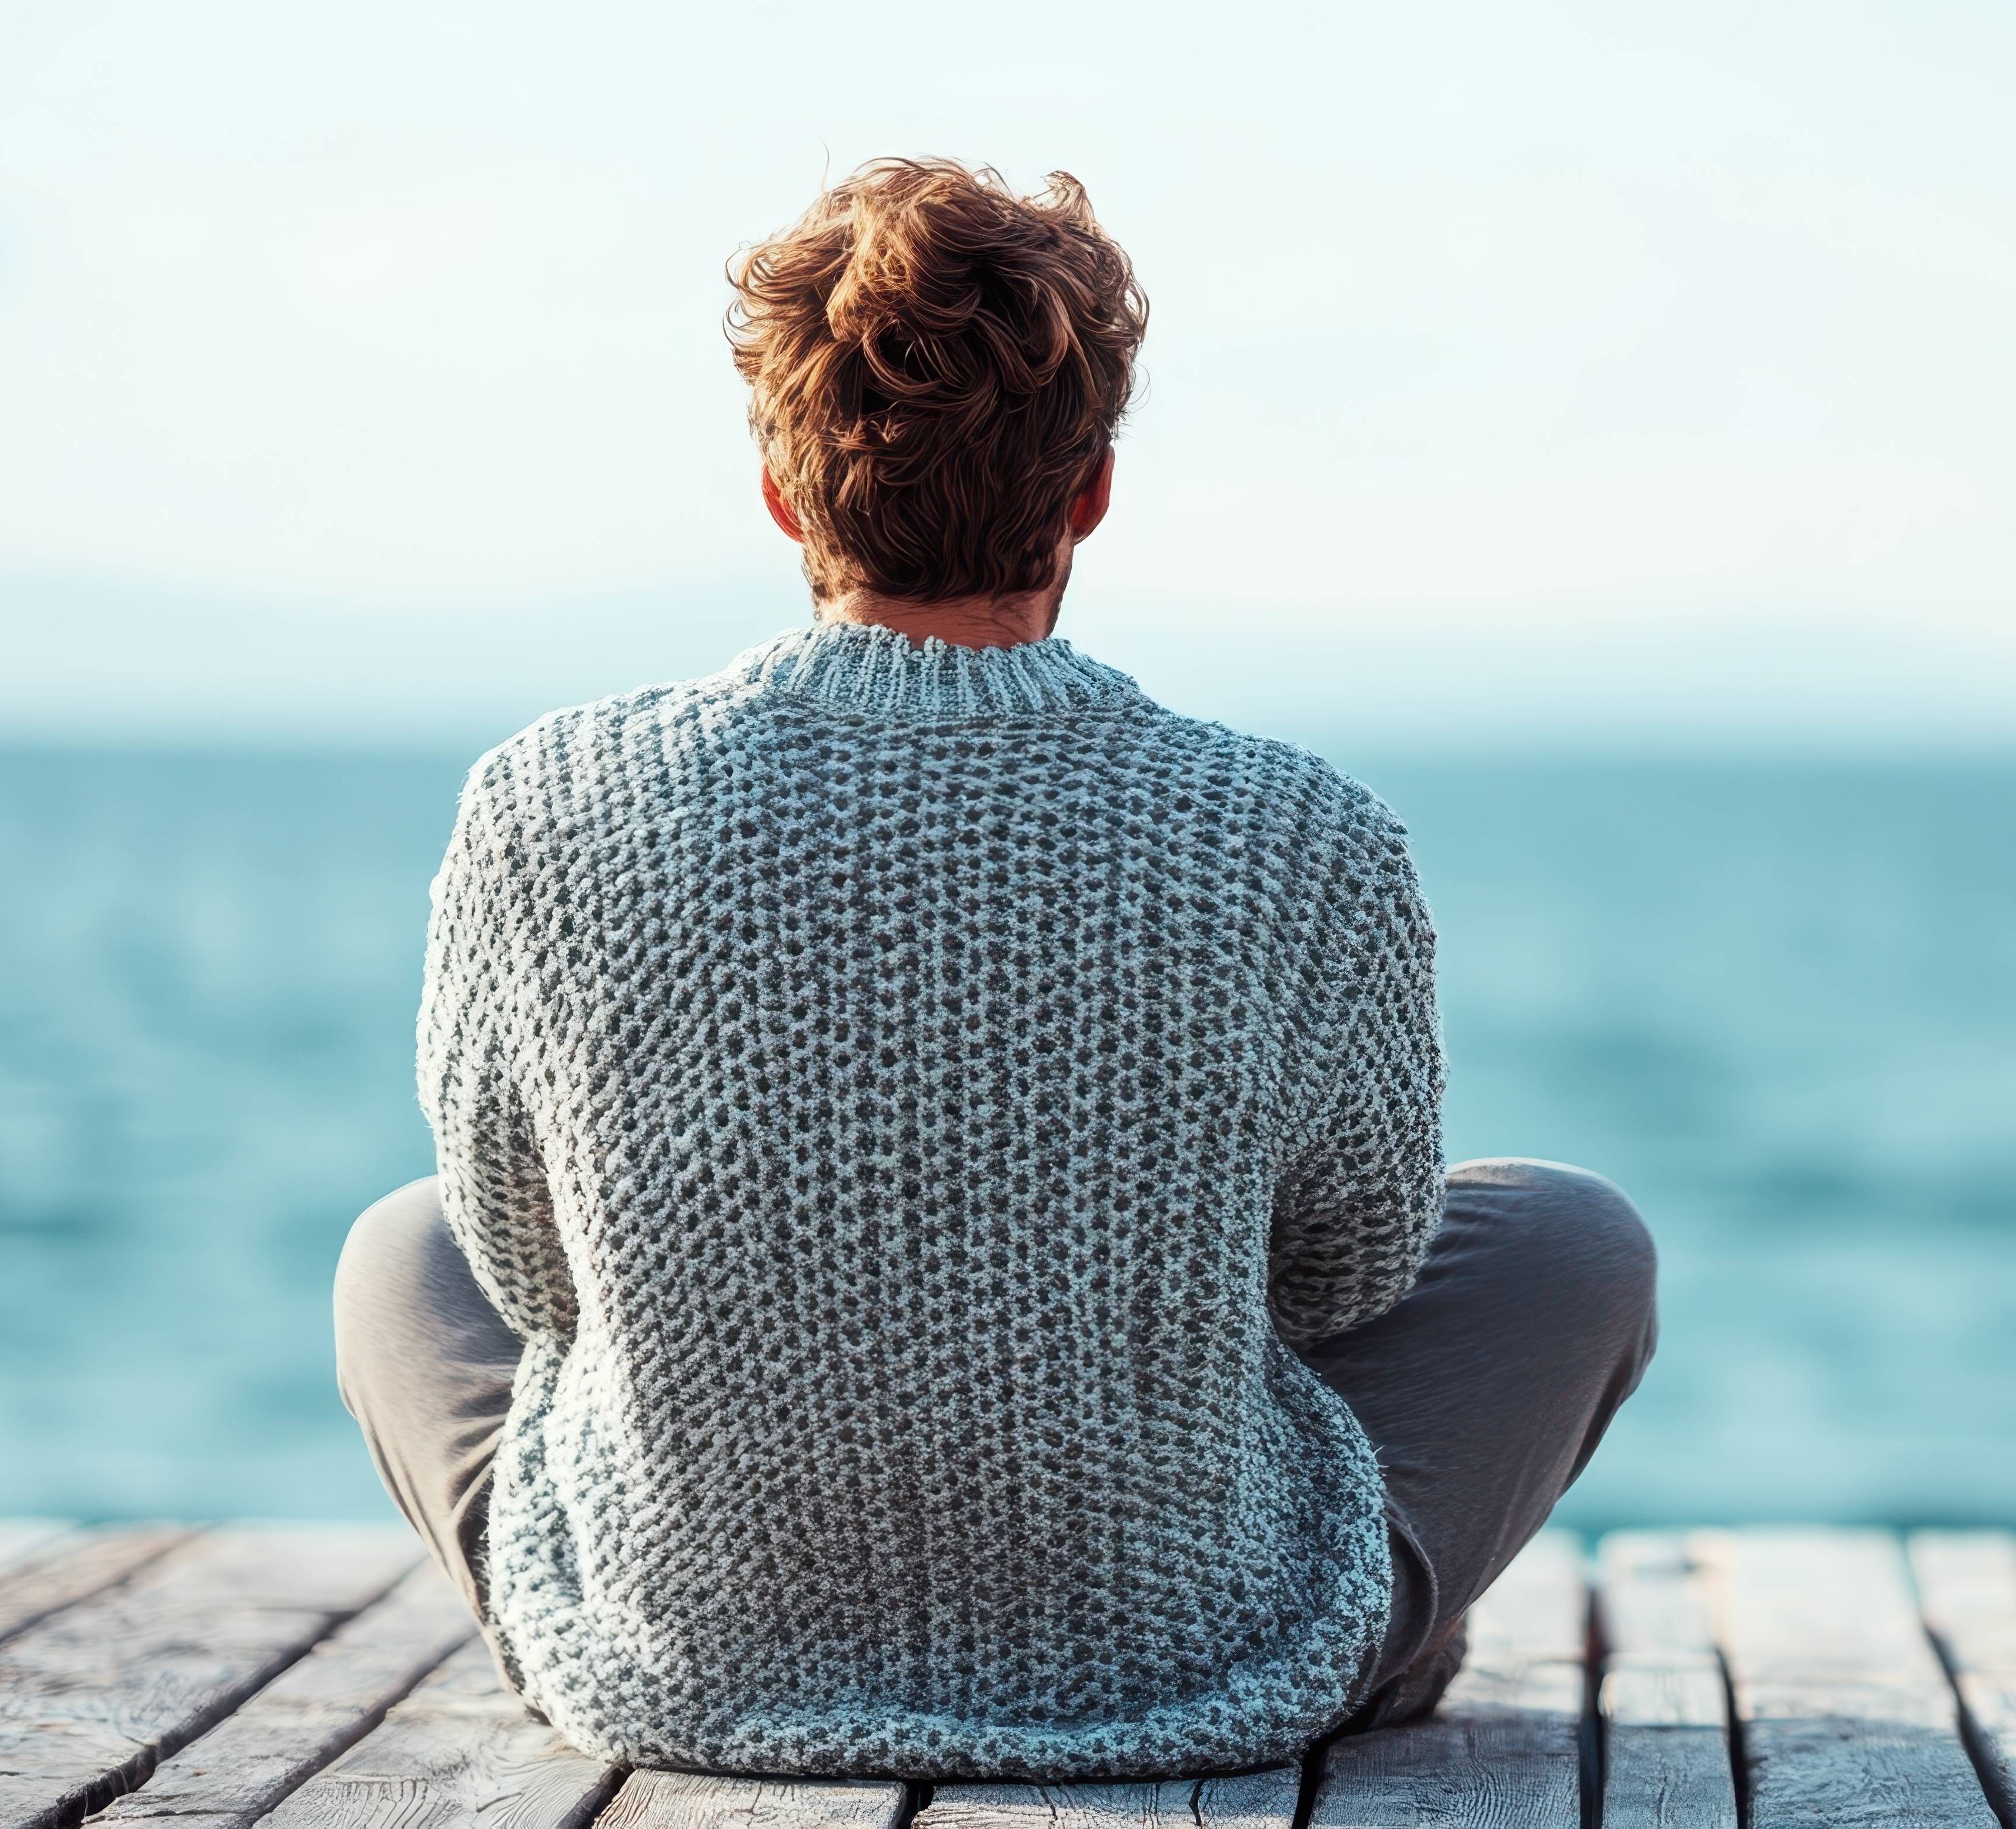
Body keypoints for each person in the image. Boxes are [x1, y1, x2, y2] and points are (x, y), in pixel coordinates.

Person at [328, 158, 1656, 1782]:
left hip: (699, 1657)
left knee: (402, 1257)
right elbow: (1347, 1277)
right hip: (1176, 1646)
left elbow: (532, 1280)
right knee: (1575, 1240)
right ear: (1092, 488)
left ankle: (621, 1628)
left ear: (781, 491)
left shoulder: (546, 800)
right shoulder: (1301, 830)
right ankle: (1340, 1632)